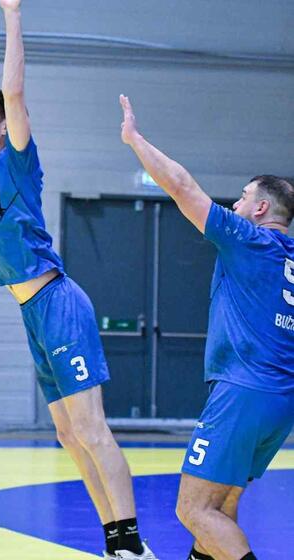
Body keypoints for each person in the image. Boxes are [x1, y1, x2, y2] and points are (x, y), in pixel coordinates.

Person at [0, 2, 155, 558]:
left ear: (4, 126)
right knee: (67, 434)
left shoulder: (16, 158)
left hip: (57, 299)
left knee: (91, 428)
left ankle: (133, 543)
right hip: (31, 310)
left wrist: (11, 15)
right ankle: (114, 541)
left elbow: (12, 93)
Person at [120, 95, 294, 560]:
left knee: (193, 509)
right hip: (281, 399)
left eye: (243, 196)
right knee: (222, 506)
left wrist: (135, 140)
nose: (235, 204)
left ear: (261, 209)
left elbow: (182, 187)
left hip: (242, 392)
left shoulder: (249, 240)